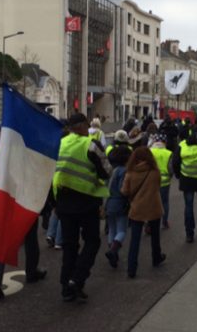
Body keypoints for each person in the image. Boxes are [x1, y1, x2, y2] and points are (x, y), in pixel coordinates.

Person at [53, 113, 111, 302]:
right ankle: (77, 280)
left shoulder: (59, 143)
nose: (88, 129)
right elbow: (107, 170)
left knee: (70, 245)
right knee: (92, 241)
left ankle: (65, 286)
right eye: (86, 125)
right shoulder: (91, 145)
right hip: (87, 201)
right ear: (80, 126)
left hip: (63, 201)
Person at [121, 147, 166, 278]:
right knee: (155, 235)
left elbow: (125, 191)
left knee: (135, 239)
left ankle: (132, 267)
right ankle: (156, 257)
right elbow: (158, 186)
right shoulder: (154, 171)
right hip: (153, 206)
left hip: (137, 208)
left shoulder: (130, 172)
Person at [103, 144, 132, 268]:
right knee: (122, 230)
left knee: (112, 229)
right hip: (119, 202)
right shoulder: (123, 171)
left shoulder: (109, 170)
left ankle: (113, 252)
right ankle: (113, 250)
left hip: (108, 202)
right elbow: (123, 189)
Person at [150, 134, 173, 228]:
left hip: (151, 181)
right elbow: (170, 168)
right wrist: (170, 176)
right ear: (164, 142)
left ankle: (150, 222)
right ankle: (165, 221)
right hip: (165, 181)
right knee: (164, 202)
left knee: (151, 201)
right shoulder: (168, 153)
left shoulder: (149, 151)